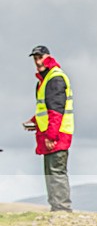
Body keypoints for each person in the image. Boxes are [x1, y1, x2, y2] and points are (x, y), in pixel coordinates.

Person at [23, 45, 74, 212]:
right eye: (35, 59)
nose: (38, 61)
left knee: (56, 172)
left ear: (48, 57)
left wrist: (51, 136)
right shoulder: (45, 80)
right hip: (51, 134)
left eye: (40, 57)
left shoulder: (54, 79)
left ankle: (61, 209)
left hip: (57, 136)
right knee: (51, 172)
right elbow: (45, 111)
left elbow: (56, 111)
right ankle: (57, 208)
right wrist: (34, 122)